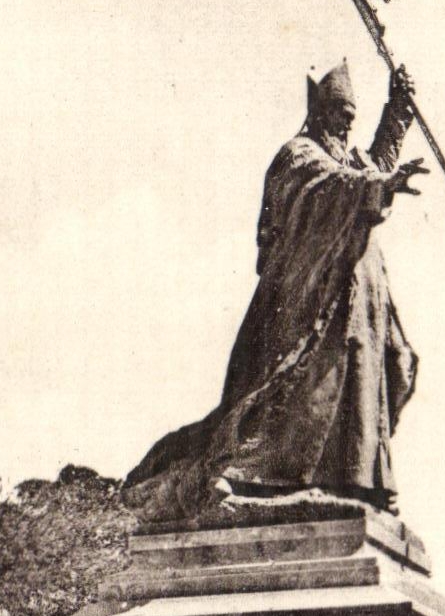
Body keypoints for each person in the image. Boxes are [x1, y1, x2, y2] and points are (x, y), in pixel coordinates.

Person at [125, 60, 427, 518]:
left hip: (361, 306)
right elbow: (330, 185)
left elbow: (374, 166)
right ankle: (255, 479)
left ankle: (357, 482)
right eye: (340, 111)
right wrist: (378, 184)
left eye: (352, 114)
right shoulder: (298, 154)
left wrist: (399, 108)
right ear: (319, 111)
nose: (347, 121)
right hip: (312, 304)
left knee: (381, 372)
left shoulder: (348, 160)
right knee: (299, 390)